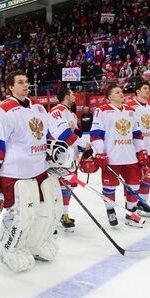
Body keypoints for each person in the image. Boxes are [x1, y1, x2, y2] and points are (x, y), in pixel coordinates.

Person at [0, 70, 63, 272]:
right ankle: (8, 249)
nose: (25, 85)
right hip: (15, 170)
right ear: (10, 87)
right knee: (20, 213)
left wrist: (55, 154)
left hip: (39, 167)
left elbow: (46, 134)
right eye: (20, 82)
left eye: (26, 81)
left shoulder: (38, 106)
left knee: (45, 210)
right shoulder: (3, 109)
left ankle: (34, 243)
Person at [90, 84, 148, 227]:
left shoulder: (131, 110)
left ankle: (131, 214)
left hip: (130, 157)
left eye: (122, 91)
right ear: (110, 97)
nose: (121, 94)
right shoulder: (101, 111)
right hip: (112, 158)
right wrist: (100, 152)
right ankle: (110, 211)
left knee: (134, 187)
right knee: (110, 188)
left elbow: (137, 133)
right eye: (117, 92)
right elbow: (96, 134)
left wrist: (140, 150)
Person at [48, 88, 89, 230]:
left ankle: (63, 214)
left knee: (68, 186)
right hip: (59, 156)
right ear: (66, 97)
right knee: (58, 187)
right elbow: (64, 135)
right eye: (72, 94)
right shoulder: (57, 111)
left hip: (69, 156)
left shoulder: (69, 113)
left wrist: (80, 138)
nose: (75, 95)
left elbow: (73, 132)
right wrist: (83, 143)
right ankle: (53, 217)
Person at [124, 81, 150, 217]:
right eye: (145, 88)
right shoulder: (128, 106)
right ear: (138, 91)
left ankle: (143, 203)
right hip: (133, 150)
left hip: (149, 149)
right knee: (133, 180)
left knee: (147, 178)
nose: (148, 91)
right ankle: (131, 205)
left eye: (149, 89)